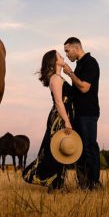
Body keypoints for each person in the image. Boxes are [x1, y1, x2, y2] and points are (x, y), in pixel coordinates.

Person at [22, 50, 74, 190]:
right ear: (54, 61)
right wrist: (67, 121)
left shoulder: (58, 77)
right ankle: (51, 182)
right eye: (60, 55)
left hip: (62, 117)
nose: (63, 57)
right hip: (59, 118)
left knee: (61, 151)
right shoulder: (55, 79)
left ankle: (57, 185)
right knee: (55, 150)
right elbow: (58, 102)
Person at [63, 37, 102, 190]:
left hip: (88, 113)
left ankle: (94, 183)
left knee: (89, 147)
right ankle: (83, 184)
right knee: (79, 149)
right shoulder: (80, 65)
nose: (67, 54)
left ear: (76, 48)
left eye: (67, 51)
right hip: (78, 113)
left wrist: (70, 73)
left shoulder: (91, 63)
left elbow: (84, 88)